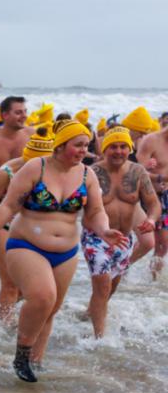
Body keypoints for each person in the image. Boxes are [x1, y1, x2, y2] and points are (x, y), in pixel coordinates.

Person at [0, 119, 126, 382]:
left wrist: (104, 230)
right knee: (42, 296)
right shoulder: (35, 168)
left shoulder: (87, 174)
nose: (83, 151)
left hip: (65, 252)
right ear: (61, 145)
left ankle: (35, 362)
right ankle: (21, 354)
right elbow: (7, 207)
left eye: (86, 145)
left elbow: (96, 211)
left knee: (51, 309)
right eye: (78, 145)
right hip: (26, 245)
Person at [0, 127, 53, 321]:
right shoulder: (7, 172)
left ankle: (9, 316)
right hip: (3, 226)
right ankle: (3, 330)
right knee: (10, 283)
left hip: (34, 229)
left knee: (30, 288)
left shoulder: (56, 171)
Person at [85, 127, 158, 337]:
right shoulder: (92, 173)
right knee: (102, 287)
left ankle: (89, 314)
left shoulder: (138, 172)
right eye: (113, 147)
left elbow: (153, 203)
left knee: (111, 288)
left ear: (130, 148)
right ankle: (100, 338)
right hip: (96, 238)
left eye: (123, 146)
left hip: (124, 239)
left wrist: (151, 219)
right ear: (105, 149)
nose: (118, 151)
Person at [137, 119, 168, 276]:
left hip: (166, 197)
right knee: (149, 242)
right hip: (150, 195)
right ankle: (122, 268)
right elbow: (137, 171)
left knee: (163, 245)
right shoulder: (151, 140)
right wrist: (160, 178)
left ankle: (152, 281)